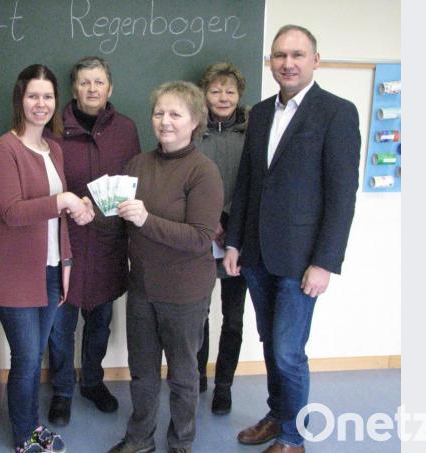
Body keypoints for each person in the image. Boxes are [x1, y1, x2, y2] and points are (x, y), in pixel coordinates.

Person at [223, 25, 361, 453]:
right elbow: (247, 184)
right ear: (271, 62)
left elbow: (342, 195)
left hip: (303, 261)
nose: (288, 63)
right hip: (258, 254)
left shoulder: (337, 112)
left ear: (315, 60)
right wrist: (234, 242)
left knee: (287, 351)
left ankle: (292, 437)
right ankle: (277, 414)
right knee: (270, 343)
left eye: (298, 55)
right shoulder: (260, 114)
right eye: (280, 55)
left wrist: (325, 262)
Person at [106, 81, 223, 453]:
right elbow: (119, 221)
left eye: (175, 114)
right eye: (159, 113)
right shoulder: (138, 164)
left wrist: (146, 220)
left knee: (184, 376)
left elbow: (200, 237)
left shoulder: (203, 171)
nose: (165, 121)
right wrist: (86, 211)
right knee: (142, 373)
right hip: (142, 289)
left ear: (194, 121)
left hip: (185, 294)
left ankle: (181, 441)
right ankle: (140, 439)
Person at [0, 64, 94, 453]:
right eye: (33, 95)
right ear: (20, 99)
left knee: (34, 356)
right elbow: (12, 211)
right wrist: (61, 201)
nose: (41, 103)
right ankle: (25, 436)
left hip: (50, 271)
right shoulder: (6, 148)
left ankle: (30, 428)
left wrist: (75, 213)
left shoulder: (55, 149)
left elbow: (55, 213)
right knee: (28, 359)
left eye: (48, 96)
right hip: (15, 274)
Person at [44, 56, 141, 427]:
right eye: (84, 83)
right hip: (64, 241)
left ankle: (93, 382)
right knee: (60, 325)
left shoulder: (127, 129)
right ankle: (64, 390)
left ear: (110, 88)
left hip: (107, 244)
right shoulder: (52, 128)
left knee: (100, 322)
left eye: (99, 82)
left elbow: (133, 182)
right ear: (73, 90)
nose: (92, 89)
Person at [194, 61, 250, 415]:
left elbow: (257, 184)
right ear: (204, 94)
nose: (223, 97)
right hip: (201, 236)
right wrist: (211, 222)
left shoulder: (253, 133)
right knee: (198, 313)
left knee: (234, 317)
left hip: (239, 238)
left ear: (239, 95)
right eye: (216, 90)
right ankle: (196, 376)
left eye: (230, 90)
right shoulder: (192, 132)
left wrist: (234, 228)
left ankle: (224, 385)